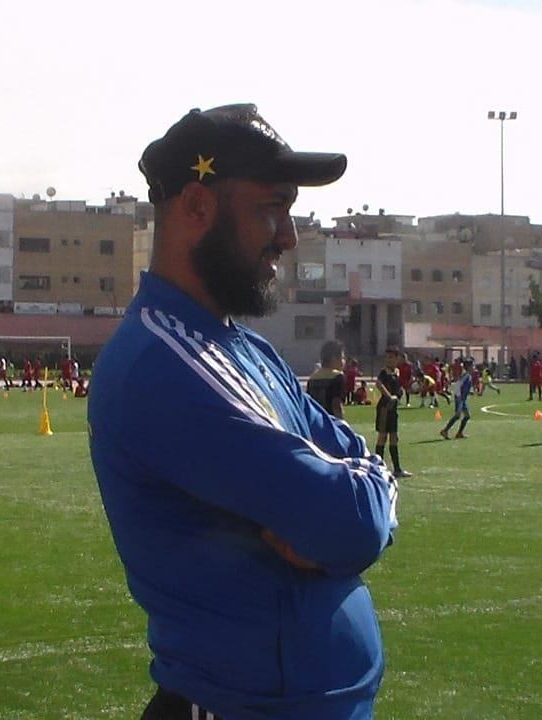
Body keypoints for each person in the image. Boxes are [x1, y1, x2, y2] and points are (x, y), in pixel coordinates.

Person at [88, 104, 397, 720]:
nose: (289, 236)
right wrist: (358, 504)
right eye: (271, 208)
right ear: (197, 206)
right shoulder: (162, 364)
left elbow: (364, 468)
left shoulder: (245, 349)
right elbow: (348, 523)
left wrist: (368, 490)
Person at [376, 346, 412, 478]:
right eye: (386, 357)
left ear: (397, 358)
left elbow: (398, 388)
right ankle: (378, 468)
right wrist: (389, 396)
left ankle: (397, 469)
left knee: (394, 437)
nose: (388, 360)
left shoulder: (396, 372)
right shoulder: (384, 372)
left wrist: (399, 393)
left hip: (393, 408)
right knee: (382, 436)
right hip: (385, 408)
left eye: (391, 357)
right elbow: (379, 384)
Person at [305, 339, 346, 419]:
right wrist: (341, 422)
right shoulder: (337, 377)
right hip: (330, 420)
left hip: (315, 420)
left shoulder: (312, 378)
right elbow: (336, 404)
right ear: (334, 358)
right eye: (342, 358)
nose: (344, 361)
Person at [440, 358, 475, 439]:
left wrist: (469, 392)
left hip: (463, 399)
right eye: (472, 366)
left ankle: (459, 433)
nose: (474, 367)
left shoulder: (468, 376)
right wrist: (459, 397)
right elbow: (457, 385)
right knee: (458, 415)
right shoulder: (466, 376)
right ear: (469, 367)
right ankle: (445, 430)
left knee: (467, 416)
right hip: (460, 399)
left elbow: (462, 386)